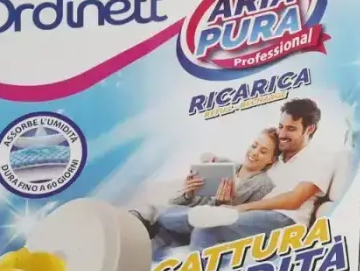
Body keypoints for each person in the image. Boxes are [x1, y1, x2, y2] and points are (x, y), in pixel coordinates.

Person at [189, 98, 333, 251]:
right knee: (185, 221)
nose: (282, 134)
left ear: (309, 129)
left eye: (291, 129)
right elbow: (245, 165)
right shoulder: (277, 155)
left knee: (208, 227)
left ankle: (200, 266)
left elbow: (294, 199)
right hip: (258, 215)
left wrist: (239, 209)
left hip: (286, 219)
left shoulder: (318, 158)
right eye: (280, 126)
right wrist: (215, 161)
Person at [137, 128, 279, 245]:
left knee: (170, 216)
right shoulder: (224, 165)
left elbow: (244, 221)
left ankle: (153, 220)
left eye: (263, 151)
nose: (254, 152)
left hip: (212, 225)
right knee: (167, 215)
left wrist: (224, 204)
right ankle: (151, 222)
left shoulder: (264, 185)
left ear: (271, 159)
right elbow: (176, 204)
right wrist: (188, 194)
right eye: (254, 146)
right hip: (186, 217)